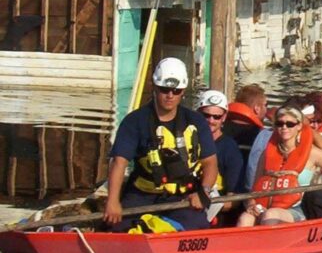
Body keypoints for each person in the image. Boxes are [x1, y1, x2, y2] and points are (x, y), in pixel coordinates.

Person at [104, 57, 218, 232]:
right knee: (119, 227)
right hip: (141, 195)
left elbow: (210, 163)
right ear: (155, 88)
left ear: (183, 91)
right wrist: (112, 201)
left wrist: (203, 192)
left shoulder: (195, 121)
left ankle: (160, 232)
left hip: (182, 197)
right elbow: (119, 163)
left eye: (176, 90)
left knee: (197, 226)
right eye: (164, 89)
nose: (170, 95)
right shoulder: (134, 122)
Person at [237, 105, 322, 227]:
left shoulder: (312, 153)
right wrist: (251, 205)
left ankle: (271, 246)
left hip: (297, 209)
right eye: (280, 124)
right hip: (266, 206)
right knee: (245, 218)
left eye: (290, 124)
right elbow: (254, 190)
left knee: (271, 215)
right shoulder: (267, 153)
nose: (284, 127)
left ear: (299, 126)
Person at [198, 89, 244, 226]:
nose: (210, 121)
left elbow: (233, 200)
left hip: (214, 213)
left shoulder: (230, 149)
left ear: (224, 117)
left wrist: (206, 203)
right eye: (206, 115)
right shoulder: (187, 141)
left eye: (216, 117)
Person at [223, 83, 268, 169]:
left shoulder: (219, 128)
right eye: (266, 105)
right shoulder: (260, 136)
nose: (267, 109)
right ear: (257, 109)